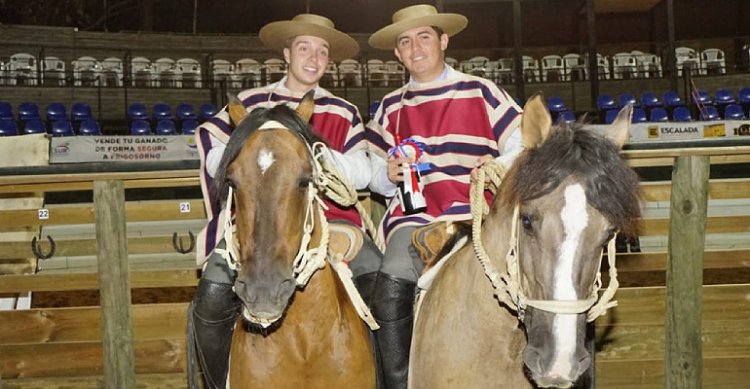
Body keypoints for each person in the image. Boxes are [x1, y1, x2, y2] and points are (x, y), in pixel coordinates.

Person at [190, 14, 382, 389]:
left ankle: (385, 377)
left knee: (381, 280)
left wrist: (317, 157)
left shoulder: (343, 111)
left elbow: (362, 171)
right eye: (304, 47)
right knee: (210, 296)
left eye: (322, 51)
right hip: (254, 221)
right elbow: (209, 146)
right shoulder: (251, 102)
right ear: (286, 54)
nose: (313, 57)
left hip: (333, 221)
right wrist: (238, 158)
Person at [366, 5, 524, 388]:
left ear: (443, 41)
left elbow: (523, 141)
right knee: (390, 285)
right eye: (405, 41)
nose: (415, 47)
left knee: (549, 281)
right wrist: (386, 175)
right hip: (414, 218)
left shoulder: (481, 90)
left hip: (479, 214)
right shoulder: (389, 107)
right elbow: (372, 175)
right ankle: (401, 381)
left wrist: (499, 164)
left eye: (424, 37)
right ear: (398, 54)